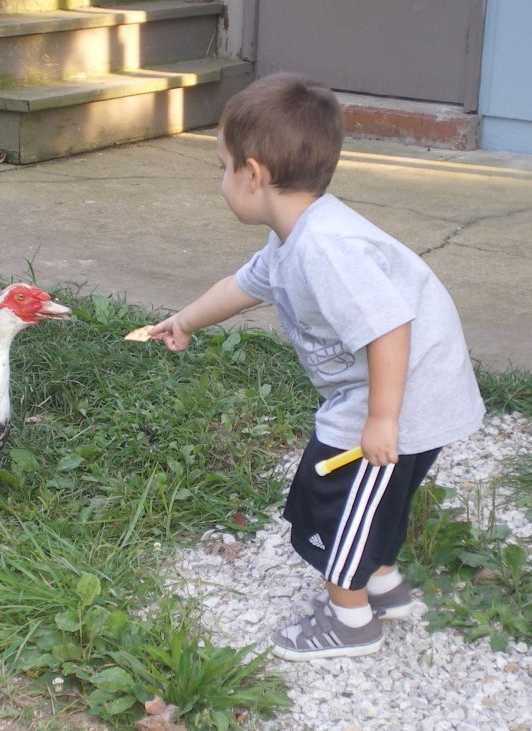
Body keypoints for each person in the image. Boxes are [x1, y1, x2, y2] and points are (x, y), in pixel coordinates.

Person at [148, 72, 485, 661]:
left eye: (222, 166)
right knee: (371, 498)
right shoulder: (295, 237)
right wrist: (186, 320)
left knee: (332, 497)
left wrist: (381, 420)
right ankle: (384, 586)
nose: (222, 181)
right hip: (391, 390)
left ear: (253, 175)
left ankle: (349, 623)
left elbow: (388, 326)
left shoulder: (327, 248)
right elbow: (244, 285)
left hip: (401, 396)